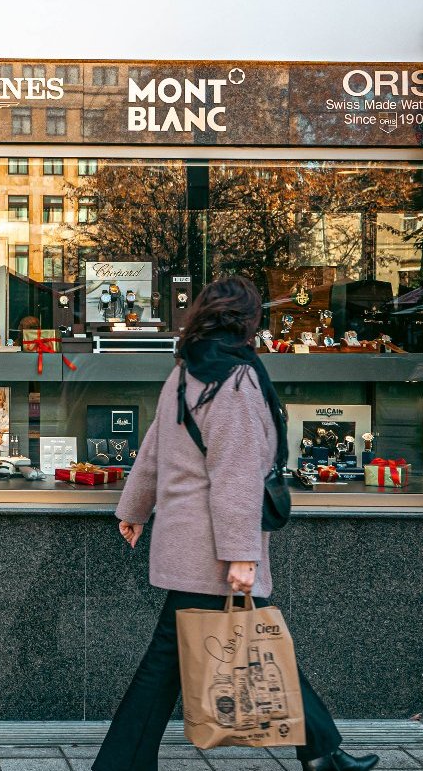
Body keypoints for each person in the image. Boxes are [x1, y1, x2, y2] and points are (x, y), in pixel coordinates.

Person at [94, 275, 377, 771]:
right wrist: (241, 553)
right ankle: (323, 755)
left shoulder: (186, 372)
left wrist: (134, 509)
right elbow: (237, 474)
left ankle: (323, 753)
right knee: (200, 654)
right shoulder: (237, 379)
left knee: (218, 649)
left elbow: (155, 447)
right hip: (214, 547)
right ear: (248, 321)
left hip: (187, 539)